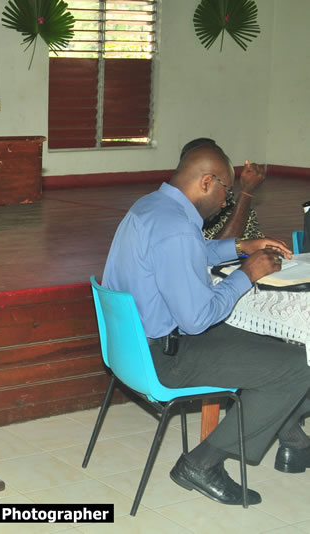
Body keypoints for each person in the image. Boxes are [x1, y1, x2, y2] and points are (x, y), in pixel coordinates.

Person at [102, 145, 310, 506]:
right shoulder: (176, 228)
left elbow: (193, 252)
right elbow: (197, 319)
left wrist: (241, 247)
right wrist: (247, 273)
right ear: (207, 182)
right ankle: (201, 464)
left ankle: (292, 437)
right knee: (297, 368)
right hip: (165, 357)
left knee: (269, 342)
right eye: (226, 191)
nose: (227, 201)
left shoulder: (152, 207)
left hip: (133, 348)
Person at [179, 138, 266, 240]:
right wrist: (246, 192)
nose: (224, 203)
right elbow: (214, 247)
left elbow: (253, 241)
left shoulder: (234, 208)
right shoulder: (176, 212)